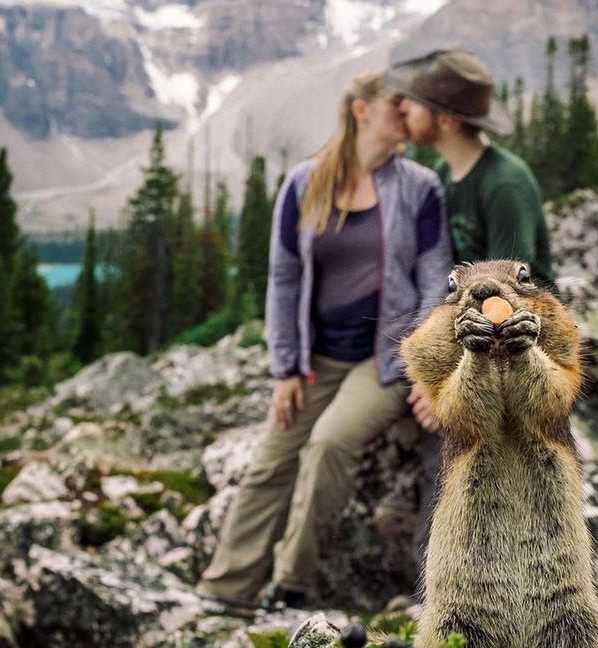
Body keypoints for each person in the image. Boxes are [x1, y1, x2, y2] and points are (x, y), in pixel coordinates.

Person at [196, 71, 453, 610]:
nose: (407, 113)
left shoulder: (418, 188)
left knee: (329, 443)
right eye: (395, 104)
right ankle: (226, 591)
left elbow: (435, 281)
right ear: (360, 110)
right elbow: (284, 276)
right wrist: (285, 367)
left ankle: (290, 583)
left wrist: (428, 364)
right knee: (271, 462)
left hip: (384, 358)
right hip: (317, 357)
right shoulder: (304, 183)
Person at [383, 49, 557, 569]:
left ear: (444, 119)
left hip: (511, 355)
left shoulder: (504, 186)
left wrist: (441, 390)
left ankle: (444, 587)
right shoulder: (448, 174)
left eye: (413, 103)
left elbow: (512, 301)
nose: (402, 110)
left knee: (452, 449)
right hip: (467, 344)